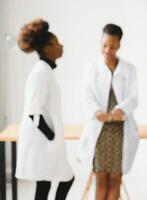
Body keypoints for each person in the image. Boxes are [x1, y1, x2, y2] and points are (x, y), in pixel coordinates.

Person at [15, 18, 74, 200]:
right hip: (43, 142)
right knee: (63, 179)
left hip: (46, 142)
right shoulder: (40, 72)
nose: (61, 46)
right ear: (48, 48)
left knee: (46, 183)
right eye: (57, 43)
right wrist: (51, 138)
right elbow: (34, 112)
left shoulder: (45, 71)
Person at [79, 24, 139, 200]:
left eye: (112, 46)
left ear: (119, 45)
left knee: (115, 178)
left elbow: (133, 98)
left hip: (120, 131)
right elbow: (86, 95)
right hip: (100, 130)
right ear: (100, 42)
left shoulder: (129, 69)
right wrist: (97, 112)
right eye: (104, 45)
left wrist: (119, 111)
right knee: (101, 178)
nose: (107, 50)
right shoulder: (91, 68)